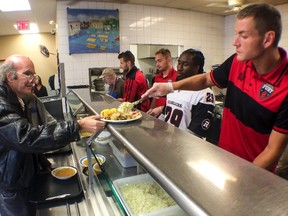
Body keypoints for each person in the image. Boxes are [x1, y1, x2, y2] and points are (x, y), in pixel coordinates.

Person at [142, 3, 288, 172]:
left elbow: (273, 151)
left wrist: (247, 178)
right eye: (236, 34)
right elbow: (206, 80)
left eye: (243, 35)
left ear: (267, 39)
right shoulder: (237, 62)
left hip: (255, 173)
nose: (235, 42)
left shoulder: (284, 88)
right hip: (223, 160)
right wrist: (169, 87)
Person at [0, 55, 106, 216]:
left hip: (22, 177)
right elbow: (26, 137)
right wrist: (78, 126)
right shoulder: (2, 104)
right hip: (10, 185)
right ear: (10, 76)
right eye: (27, 74)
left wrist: (43, 163)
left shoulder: (19, 99)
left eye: (33, 75)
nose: (33, 79)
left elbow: (23, 143)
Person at [149, 49, 215, 138]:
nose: (179, 68)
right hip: (167, 141)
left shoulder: (204, 94)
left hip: (185, 147)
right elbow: (165, 115)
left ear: (196, 67)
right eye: (179, 63)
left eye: (185, 64)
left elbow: (196, 133)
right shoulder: (173, 87)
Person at [147, 48, 178, 117]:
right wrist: (151, 109)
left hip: (170, 115)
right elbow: (155, 98)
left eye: (159, 61)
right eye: (156, 61)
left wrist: (161, 109)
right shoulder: (157, 77)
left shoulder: (177, 77)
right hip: (156, 115)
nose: (157, 64)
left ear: (169, 60)